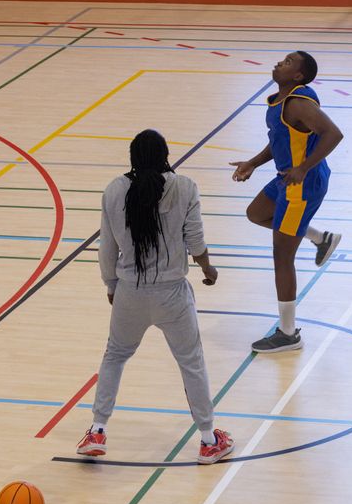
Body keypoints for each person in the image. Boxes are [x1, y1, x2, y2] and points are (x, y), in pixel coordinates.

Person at [76, 129, 234, 464]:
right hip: (172, 295)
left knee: (114, 356)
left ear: (132, 158)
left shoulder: (115, 190)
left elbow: (107, 247)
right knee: (191, 362)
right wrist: (208, 268)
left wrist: (110, 285)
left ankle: (97, 430)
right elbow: (195, 239)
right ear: (165, 155)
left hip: (129, 292)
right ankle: (208, 440)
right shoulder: (184, 186)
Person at [230, 50, 343, 353]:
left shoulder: (298, 103)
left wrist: (304, 168)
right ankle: (320, 238)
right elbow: (280, 140)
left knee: (282, 256)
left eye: (289, 62)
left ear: (298, 76)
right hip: (287, 177)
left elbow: (334, 133)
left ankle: (288, 333)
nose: (280, 62)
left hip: (301, 185)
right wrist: (253, 162)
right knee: (256, 213)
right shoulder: (281, 101)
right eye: (283, 59)